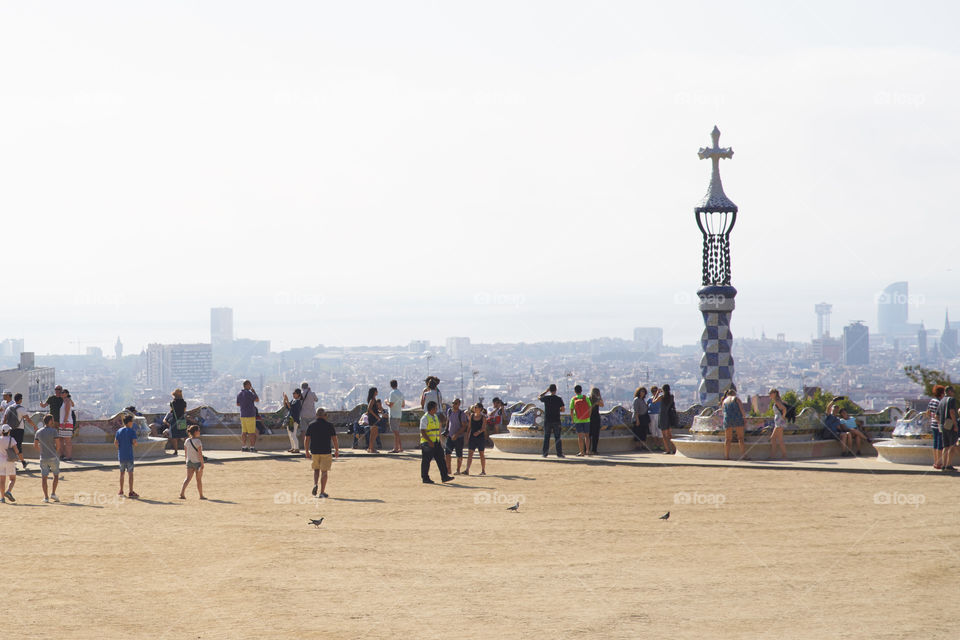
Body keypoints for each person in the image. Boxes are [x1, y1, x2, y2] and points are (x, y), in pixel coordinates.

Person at [304, 408, 340, 498]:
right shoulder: (329, 425)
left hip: (314, 451)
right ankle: (322, 492)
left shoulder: (311, 425)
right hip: (326, 451)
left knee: (316, 470)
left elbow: (306, 439)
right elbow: (334, 439)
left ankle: (315, 484)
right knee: (324, 471)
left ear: (316, 415)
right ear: (325, 416)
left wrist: (306, 451)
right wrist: (336, 450)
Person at [420, 401, 453, 484]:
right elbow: (423, 431)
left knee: (441, 460)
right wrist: (429, 441)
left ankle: (444, 476)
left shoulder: (435, 416)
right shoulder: (425, 418)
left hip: (436, 442)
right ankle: (425, 478)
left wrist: (439, 441)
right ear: (432, 408)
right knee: (426, 461)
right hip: (427, 443)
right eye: (436, 407)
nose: (437, 409)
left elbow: (438, 429)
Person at [2, 392, 35, 469]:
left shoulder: (9, 408)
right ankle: (20, 463)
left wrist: (3, 429)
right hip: (19, 429)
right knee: (18, 446)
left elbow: (5, 419)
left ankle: (20, 462)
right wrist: (34, 426)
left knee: (10, 445)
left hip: (10, 430)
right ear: (20, 400)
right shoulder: (21, 408)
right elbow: (28, 419)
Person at [34, 414, 60, 503]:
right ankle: (53, 493)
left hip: (43, 457)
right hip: (53, 457)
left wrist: (42, 451)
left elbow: (35, 445)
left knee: (44, 478)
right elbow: (58, 445)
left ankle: (46, 497)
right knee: (56, 475)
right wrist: (54, 451)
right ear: (50, 421)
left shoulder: (38, 432)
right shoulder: (54, 431)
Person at [115, 414, 139, 498]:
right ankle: (131, 491)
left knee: (122, 473)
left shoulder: (119, 431)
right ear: (129, 422)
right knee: (130, 474)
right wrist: (135, 444)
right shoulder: (132, 431)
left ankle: (121, 490)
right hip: (129, 455)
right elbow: (134, 442)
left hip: (121, 455)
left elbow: (116, 443)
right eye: (132, 421)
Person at [538, 384, 565, 458]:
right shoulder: (559, 399)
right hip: (556, 420)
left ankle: (545, 453)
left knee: (546, 437)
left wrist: (546, 391)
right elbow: (563, 409)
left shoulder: (546, 398)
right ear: (556, 390)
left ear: (550, 390)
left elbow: (539, 397)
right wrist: (557, 409)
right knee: (557, 437)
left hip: (548, 420)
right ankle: (559, 453)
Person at [180, 425, 206, 500]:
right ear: (195, 432)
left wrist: (186, 461)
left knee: (188, 478)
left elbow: (185, 452)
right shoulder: (198, 441)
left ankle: (182, 493)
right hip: (197, 463)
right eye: (198, 430)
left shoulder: (187, 441)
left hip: (189, 461)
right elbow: (200, 454)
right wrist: (202, 463)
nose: (199, 432)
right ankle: (201, 495)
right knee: (198, 480)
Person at [721, 386, 746, 460]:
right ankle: (743, 455)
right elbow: (741, 409)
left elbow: (723, 412)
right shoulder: (736, 399)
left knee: (728, 439)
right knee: (740, 438)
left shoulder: (724, 401)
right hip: (737, 418)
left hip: (728, 419)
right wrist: (744, 418)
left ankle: (727, 456)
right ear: (734, 393)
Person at [0, 424, 24, 503]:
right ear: (9, 431)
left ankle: (2, 498)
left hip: (1, 461)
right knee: (12, 479)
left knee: (2, 480)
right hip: (9, 460)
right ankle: (9, 491)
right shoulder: (11, 439)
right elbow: (17, 451)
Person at [444, 398, 468, 475]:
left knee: (459, 454)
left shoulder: (461, 414)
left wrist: (457, 434)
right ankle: (448, 469)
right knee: (447, 453)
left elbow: (464, 426)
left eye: (456, 403)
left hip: (459, 437)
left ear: (459, 404)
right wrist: (446, 430)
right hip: (450, 436)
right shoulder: (449, 411)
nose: (454, 405)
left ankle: (458, 470)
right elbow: (448, 421)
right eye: (453, 403)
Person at [937, 386, 958, 472]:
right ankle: (949, 465)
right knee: (951, 445)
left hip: (943, 425)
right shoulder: (951, 400)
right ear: (949, 391)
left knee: (945, 446)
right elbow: (952, 412)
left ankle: (944, 464)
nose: (953, 393)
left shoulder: (941, 401)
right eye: (952, 391)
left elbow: (936, 415)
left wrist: (940, 424)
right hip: (950, 425)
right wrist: (955, 424)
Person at [464, 402, 488, 475]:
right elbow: (469, 427)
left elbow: (484, 428)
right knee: (470, 453)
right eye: (474, 407)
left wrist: (478, 432)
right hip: (472, 437)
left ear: (480, 409)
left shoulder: (483, 417)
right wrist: (467, 436)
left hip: (480, 437)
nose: (475, 408)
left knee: (481, 454)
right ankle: (467, 469)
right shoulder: (471, 416)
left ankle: (483, 470)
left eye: (476, 407)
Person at [568, 385, 592, 457]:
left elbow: (571, 410)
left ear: (575, 391)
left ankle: (582, 452)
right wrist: (589, 416)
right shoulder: (586, 398)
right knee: (587, 436)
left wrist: (572, 419)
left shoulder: (573, 399)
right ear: (581, 390)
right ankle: (587, 450)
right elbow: (590, 407)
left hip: (578, 420)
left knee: (580, 437)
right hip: (587, 419)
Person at [236, 380, 259, 452]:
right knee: (252, 432)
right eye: (250, 385)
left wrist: (244, 405)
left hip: (243, 415)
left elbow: (237, 404)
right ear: (246, 385)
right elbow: (257, 399)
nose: (251, 386)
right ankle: (252, 447)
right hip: (250, 415)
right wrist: (254, 392)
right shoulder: (250, 393)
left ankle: (244, 446)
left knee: (244, 432)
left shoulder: (239, 394)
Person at [926, 385, 945, 469]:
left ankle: (935, 461)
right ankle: (939, 462)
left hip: (933, 424)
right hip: (939, 424)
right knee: (939, 444)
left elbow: (928, 412)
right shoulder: (940, 402)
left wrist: (931, 418)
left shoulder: (932, 401)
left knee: (935, 443)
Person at [385, 379, 405, 453]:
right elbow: (403, 405)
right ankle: (400, 447)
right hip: (399, 414)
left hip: (393, 414)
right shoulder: (401, 393)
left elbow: (391, 405)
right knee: (397, 432)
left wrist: (386, 402)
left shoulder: (392, 393)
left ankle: (396, 448)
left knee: (395, 432)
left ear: (391, 385)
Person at [166, 388, 188, 456]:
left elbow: (172, 411)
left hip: (175, 420)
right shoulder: (184, 403)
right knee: (184, 436)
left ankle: (176, 451)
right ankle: (186, 451)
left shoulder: (172, 403)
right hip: (182, 420)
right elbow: (184, 411)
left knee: (174, 437)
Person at [769, 389, 788, 459]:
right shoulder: (778, 400)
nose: (770, 395)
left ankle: (775, 455)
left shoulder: (777, 401)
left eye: (771, 393)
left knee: (775, 438)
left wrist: (782, 417)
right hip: (779, 421)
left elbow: (784, 409)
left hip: (779, 421)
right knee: (777, 438)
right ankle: (780, 455)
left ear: (774, 394)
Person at [283, 388, 303, 453]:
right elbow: (286, 406)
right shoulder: (293, 400)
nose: (293, 394)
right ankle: (293, 447)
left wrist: (287, 399)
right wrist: (285, 399)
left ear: (298, 394)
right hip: (290, 419)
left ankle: (296, 448)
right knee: (290, 434)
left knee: (293, 434)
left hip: (294, 420)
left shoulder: (298, 401)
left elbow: (290, 406)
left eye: (294, 393)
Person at [659, 384, 678, 455]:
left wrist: (657, 393)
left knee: (664, 435)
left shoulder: (661, 397)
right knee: (670, 435)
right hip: (669, 416)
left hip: (663, 416)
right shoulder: (672, 397)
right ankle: (673, 449)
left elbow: (654, 401)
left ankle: (667, 449)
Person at [58, 389, 76, 461]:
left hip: (66, 423)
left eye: (62, 392)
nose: (61, 394)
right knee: (61, 439)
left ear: (66, 394)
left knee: (67, 441)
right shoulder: (65, 401)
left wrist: (64, 422)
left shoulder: (67, 401)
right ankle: (62, 455)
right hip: (63, 422)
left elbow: (67, 412)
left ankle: (69, 456)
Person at [588, 387, 604, 455]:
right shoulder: (597, 400)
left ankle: (587, 449)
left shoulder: (589, 399)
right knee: (595, 435)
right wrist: (600, 397)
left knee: (588, 435)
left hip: (590, 418)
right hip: (596, 418)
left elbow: (589, 409)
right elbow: (602, 405)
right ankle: (594, 450)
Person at [365, 387, 381, 454]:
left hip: (373, 417)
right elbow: (369, 409)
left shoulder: (373, 399)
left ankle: (370, 447)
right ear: (374, 392)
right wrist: (376, 416)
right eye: (376, 391)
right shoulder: (372, 399)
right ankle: (372, 448)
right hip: (373, 418)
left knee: (374, 433)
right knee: (373, 433)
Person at [647, 386, 663, 451]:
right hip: (651, 416)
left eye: (655, 391)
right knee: (653, 431)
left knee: (659, 431)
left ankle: (660, 445)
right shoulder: (649, 400)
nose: (654, 392)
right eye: (653, 391)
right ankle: (656, 445)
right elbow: (647, 407)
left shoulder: (661, 398)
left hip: (659, 415)